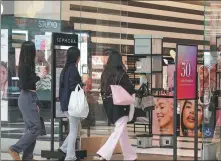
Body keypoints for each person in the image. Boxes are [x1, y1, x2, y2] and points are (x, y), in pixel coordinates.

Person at [93, 49, 137, 161]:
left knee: (122, 132)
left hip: (109, 105)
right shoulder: (122, 74)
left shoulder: (105, 74)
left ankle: (130, 156)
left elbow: (103, 90)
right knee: (118, 131)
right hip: (121, 105)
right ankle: (102, 154)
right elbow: (130, 89)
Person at [8, 41, 47, 161]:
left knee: (31, 128)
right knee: (36, 127)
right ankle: (15, 149)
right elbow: (25, 84)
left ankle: (28, 157)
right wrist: (39, 76)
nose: (35, 52)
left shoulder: (27, 65)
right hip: (27, 97)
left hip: (31, 97)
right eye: (34, 50)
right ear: (30, 51)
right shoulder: (24, 66)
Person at [59, 47, 86, 161]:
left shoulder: (65, 69)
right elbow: (74, 87)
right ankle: (70, 156)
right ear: (77, 57)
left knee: (76, 128)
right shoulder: (73, 69)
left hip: (66, 104)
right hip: (72, 105)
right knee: (74, 130)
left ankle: (64, 148)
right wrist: (82, 83)